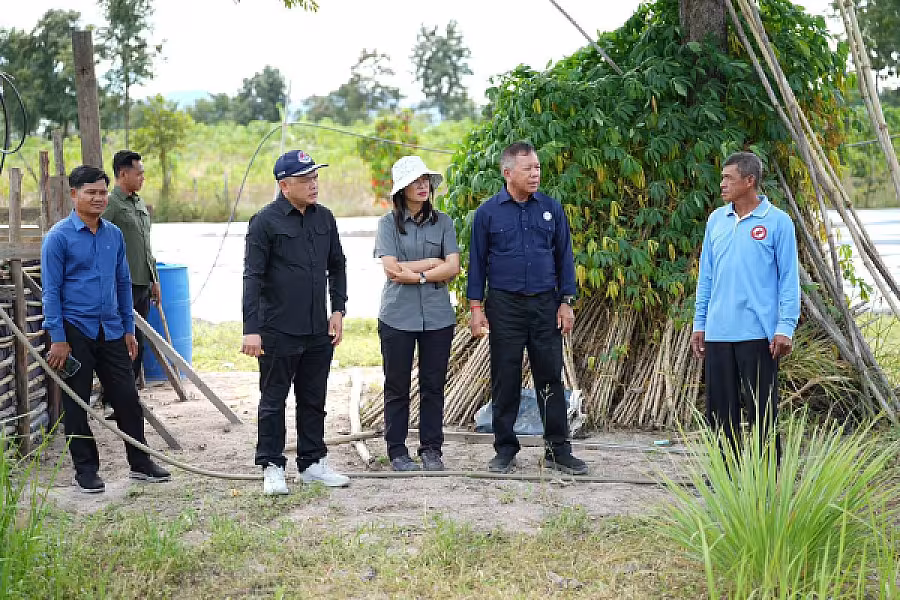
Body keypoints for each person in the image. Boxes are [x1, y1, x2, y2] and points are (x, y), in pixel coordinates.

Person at [42, 165, 171, 493]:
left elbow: (123, 282)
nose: (99, 198)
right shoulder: (58, 238)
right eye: (91, 193)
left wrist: (128, 328)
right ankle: (85, 471)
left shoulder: (113, 234)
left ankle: (140, 463)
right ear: (74, 195)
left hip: (112, 329)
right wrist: (58, 339)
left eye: (102, 192)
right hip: (74, 331)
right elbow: (51, 292)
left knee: (127, 397)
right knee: (78, 402)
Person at [467, 141, 587, 475]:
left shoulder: (551, 208)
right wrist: (476, 307)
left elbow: (564, 258)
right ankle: (505, 448)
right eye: (528, 169)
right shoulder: (488, 213)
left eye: (537, 168)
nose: (535, 174)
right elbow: (477, 264)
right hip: (505, 305)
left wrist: (566, 302)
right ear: (508, 173)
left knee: (549, 376)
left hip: (545, 304)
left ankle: (558, 450)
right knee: (504, 376)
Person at [242, 149, 350, 495]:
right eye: (306, 180)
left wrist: (338, 309)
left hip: (318, 327)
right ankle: (272, 465)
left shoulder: (325, 218)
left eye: (315, 177)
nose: (314, 185)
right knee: (273, 400)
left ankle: (313, 463)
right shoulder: (264, 222)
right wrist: (251, 329)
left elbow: (337, 265)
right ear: (285, 185)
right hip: (277, 329)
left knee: (313, 397)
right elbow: (252, 277)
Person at [690, 151, 800, 463]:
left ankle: (767, 478)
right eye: (723, 177)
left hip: (759, 334)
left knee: (762, 411)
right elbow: (707, 277)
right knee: (720, 413)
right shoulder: (716, 220)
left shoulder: (778, 223)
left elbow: (789, 281)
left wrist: (784, 328)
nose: (722, 183)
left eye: (729, 178)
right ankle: (726, 477)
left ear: (749, 181)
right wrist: (701, 324)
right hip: (719, 332)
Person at [374, 156, 460, 472]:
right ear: (402, 189)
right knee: (396, 384)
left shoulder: (445, 222)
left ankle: (431, 449)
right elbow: (391, 270)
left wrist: (419, 274)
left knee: (433, 384)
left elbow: (453, 266)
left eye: (425, 180)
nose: (422, 185)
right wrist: (432, 264)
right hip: (397, 315)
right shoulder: (387, 224)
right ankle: (397, 450)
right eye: (415, 181)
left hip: (438, 316)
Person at [102, 150, 159, 386]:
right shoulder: (110, 204)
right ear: (123, 174)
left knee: (139, 339)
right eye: (139, 173)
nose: (142, 178)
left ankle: (130, 391)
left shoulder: (138, 203)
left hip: (142, 281)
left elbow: (145, 245)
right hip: (121, 284)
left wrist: (154, 279)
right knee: (119, 339)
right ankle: (114, 395)